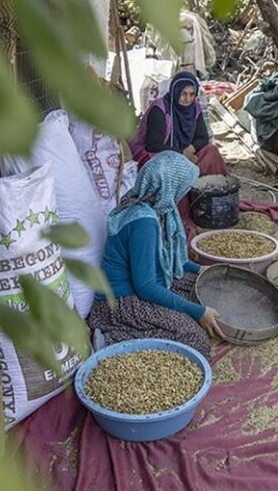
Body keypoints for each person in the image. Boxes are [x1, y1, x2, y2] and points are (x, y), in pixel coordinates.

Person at [88, 151, 225, 359]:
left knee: (196, 284)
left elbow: (167, 257)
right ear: (170, 188)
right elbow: (146, 287)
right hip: (121, 302)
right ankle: (113, 338)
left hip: (144, 282)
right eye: (182, 188)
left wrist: (200, 270)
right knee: (195, 340)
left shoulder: (149, 203)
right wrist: (198, 312)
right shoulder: (143, 222)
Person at [130, 71, 228, 177]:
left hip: (185, 153)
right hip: (162, 155)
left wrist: (189, 151)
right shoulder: (160, 109)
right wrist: (182, 154)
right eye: (184, 94)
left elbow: (203, 137)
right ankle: (188, 184)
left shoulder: (194, 107)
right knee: (166, 169)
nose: (188, 99)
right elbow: (153, 146)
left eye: (192, 94)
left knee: (211, 151)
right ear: (175, 91)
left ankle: (204, 185)